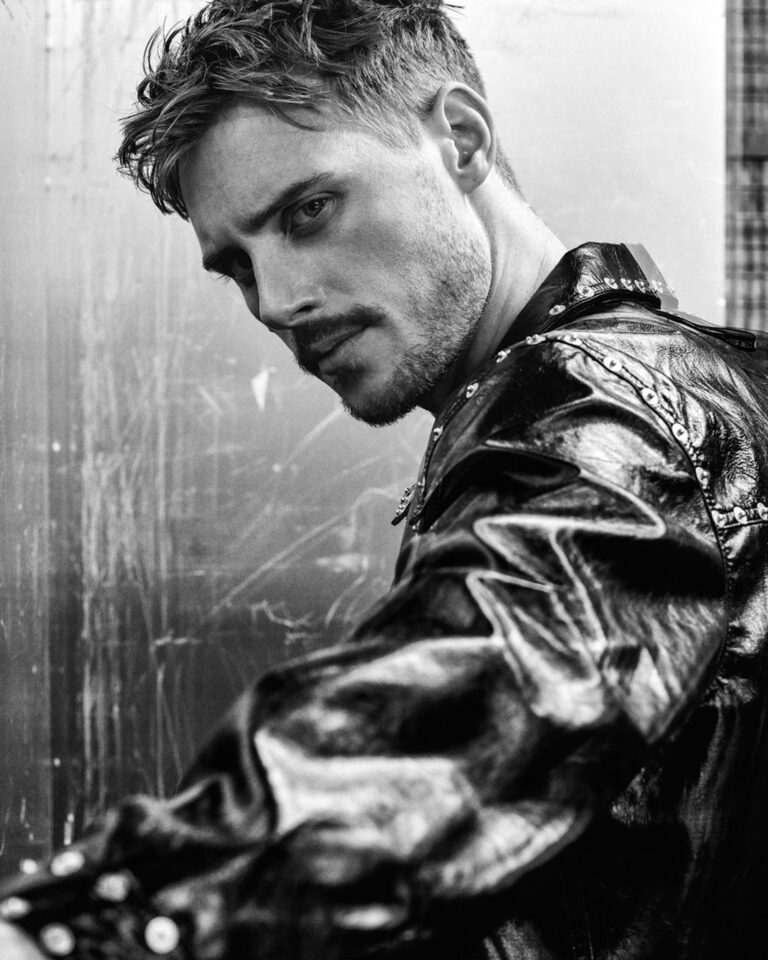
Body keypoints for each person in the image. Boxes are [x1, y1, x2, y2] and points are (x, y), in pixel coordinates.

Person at [2, 0, 767, 957]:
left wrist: (85, 930)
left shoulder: (604, 409)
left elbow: (464, 708)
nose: (278, 301)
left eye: (309, 211)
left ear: (461, 139)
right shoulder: (658, 383)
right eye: (237, 265)